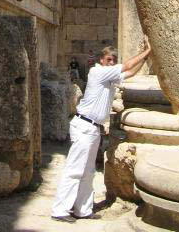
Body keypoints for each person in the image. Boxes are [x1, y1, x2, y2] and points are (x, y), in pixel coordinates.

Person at [51, 41, 152, 222]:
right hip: (84, 126)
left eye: (114, 60)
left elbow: (130, 72)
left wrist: (145, 57)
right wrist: (147, 52)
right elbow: (128, 65)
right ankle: (60, 210)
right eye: (109, 60)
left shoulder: (110, 77)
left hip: (93, 128)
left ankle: (82, 209)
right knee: (75, 169)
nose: (111, 63)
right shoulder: (97, 72)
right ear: (101, 60)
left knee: (88, 171)